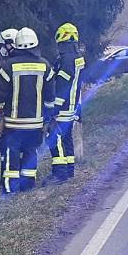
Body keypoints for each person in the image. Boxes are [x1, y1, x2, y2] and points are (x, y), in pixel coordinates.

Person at [0, 28, 55, 194]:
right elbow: (50, 97)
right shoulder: (45, 66)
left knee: (12, 154)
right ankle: (27, 186)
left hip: (13, 124)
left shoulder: (8, 66)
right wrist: (47, 118)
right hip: (35, 124)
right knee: (31, 153)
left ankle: (11, 189)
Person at [49, 23, 85, 182]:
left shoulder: (66, 59)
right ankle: (70, 170)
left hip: (63, 106)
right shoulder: (78, 57)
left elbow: (63, 84)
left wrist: (54, 107)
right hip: (73, 105)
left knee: (54, 137)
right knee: (66, 138)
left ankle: (60, 173)